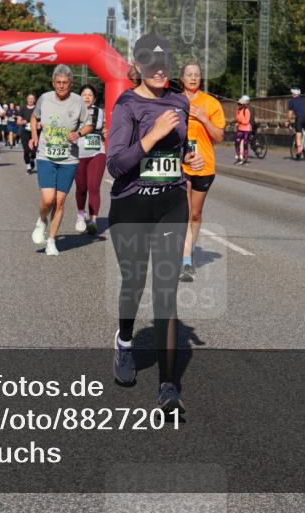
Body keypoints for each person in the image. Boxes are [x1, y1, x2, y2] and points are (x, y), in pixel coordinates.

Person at [106, 33, 205, 415]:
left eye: (165, 64)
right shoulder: (126, 106)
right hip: (131, 207)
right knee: (133, 281)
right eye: (152, 65)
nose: (160, 71)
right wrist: (153, 136)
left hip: (170, 204)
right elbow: (115, 165)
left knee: (166, 292)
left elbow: (184, 147)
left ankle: (168, 387)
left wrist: (191, 160)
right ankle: (126, 342)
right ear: (140, 67)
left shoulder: (180, 101)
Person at [30, 65, 94, 256]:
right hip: (45, 155)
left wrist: (79, 133)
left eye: (65, 83)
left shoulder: (77, 102)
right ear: (53, 83)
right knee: (48, 198)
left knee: (59, 201)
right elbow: (34, 118)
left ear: (71, 84)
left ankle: (51, 240)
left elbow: (89, 124)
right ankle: (41, 220)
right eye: (58, 83)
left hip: (68, 158)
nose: (61, 86)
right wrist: (34, 136)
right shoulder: (44, 98)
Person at [178, 62, 226, 282]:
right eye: (189, 75)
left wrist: (204, 119)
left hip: (204, 165)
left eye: (197, 75)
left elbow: (219, 137)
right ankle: (186, 261)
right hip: (181, 166)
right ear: (182, 78)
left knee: (196, 214)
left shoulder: (210, 103)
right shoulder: (175, 101)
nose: (193, 78)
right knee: (186, 214)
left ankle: (190, 249)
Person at [74, 84, 108, 236]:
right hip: (78, 154)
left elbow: (99, 126)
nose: (87, 97)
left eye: (90, 95)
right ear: (79, 97)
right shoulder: (73, 111)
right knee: (81, 188)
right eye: (84, 94)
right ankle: (81, 214)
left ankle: (93, 221)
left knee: (94, 186)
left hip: (97, 153)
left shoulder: (98, 111)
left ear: (94, 98)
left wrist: (106, 131)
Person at [287, 87, 305, 159]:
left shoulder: (291, 101)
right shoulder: (304, 100)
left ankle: (299, 150)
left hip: (299, 118)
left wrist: (288, 121)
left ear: (293, 94)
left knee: (298, 134)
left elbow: (290, 114)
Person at [18, 93, 38, 173]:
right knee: (26, 150)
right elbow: (18, 121)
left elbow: (43, 120)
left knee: (34, 150)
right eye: (29, 98)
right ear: (27, 99)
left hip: (35, 132)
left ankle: (32, 158)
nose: (30, 100)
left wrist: (39, 124)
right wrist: (22, 122)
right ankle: (28, 166)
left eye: (32, 99)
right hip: (25, 132)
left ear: (34, 100)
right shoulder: (23, 109)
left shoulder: (37, 109)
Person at [234, 95, 252, 165]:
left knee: (245, 144)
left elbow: (246, 121)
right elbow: (237, 118)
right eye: (238, 104)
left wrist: (239, 121)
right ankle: (239, 157)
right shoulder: (238, 110)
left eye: (240, 104)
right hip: (240, 129)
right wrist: (236, 121)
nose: (239, 105)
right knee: (236, 143)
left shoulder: (246, 110)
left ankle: (245, 159)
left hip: (246, 129)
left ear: (243, 105)